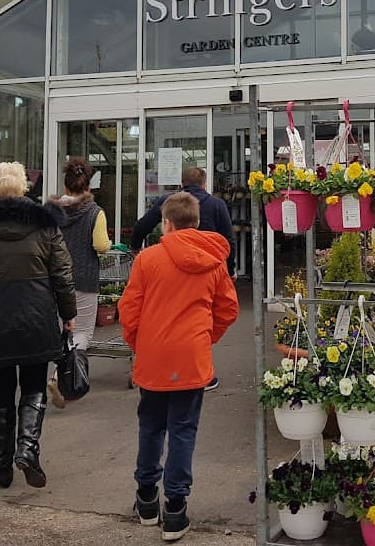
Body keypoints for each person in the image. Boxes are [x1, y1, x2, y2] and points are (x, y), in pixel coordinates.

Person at [119, 192, 239, 541]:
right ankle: (175, 508)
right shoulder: (214, 261)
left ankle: (145, 498)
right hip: (192, 357)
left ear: (166, 224)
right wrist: (204, 337)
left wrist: (139, 343)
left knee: (151, 426)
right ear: (197, 222)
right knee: (183, 430)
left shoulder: (148, 259)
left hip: (153, 356)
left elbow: (130, 309)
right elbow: (228, 310)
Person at [0, 161, 76, 490]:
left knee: (1, 387)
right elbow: (62, 276)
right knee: (35, 383)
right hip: (36, 315)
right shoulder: (45, 224)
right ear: (25, 187)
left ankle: (1, 466)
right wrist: (68, 314)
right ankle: (27, 449)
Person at [131, 166, 234, 391]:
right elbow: (228, 238)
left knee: (164, 313)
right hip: (208, 268)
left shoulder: (168, 203)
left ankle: (162, 368)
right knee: (198, 315)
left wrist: (136, 248)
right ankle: (198, 368)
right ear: (205, 184)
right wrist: (230, 268)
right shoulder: (217, 204)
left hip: (165, 264)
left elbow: (142, 226)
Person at [48, 158, 112, 407]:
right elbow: (100, 245)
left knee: (61, 331)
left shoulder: (52, 212)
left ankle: (59, 375)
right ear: (88, 188)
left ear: (65, 188)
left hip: (54, 280)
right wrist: (108, 245)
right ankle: (59, 378)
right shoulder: (95, 213)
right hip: (83, 279)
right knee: (82, 332)